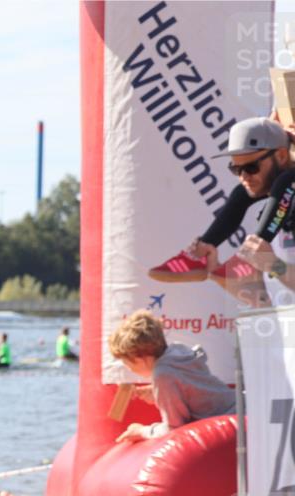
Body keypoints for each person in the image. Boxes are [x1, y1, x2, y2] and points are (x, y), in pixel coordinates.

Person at [149, 117, 294, 285]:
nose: (244, 177)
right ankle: (201, 254)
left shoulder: (286, 188)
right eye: (236, 169)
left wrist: (274, 266)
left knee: (286, 179)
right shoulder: (275, 206)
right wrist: (215, 272)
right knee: (241, 192)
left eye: (251, 167)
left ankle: (252, 251)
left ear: (282, 156)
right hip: (284, 308)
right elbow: (261, 300)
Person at [108, 310, 235, 444]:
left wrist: (142, 431)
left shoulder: (162, 375)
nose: (128, 367)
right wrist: (156, 391)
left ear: (140, 358)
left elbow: (174, 428)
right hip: (239, 407)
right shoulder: (177, 351)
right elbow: (194, 386)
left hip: (228, 422)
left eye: (126, 362)